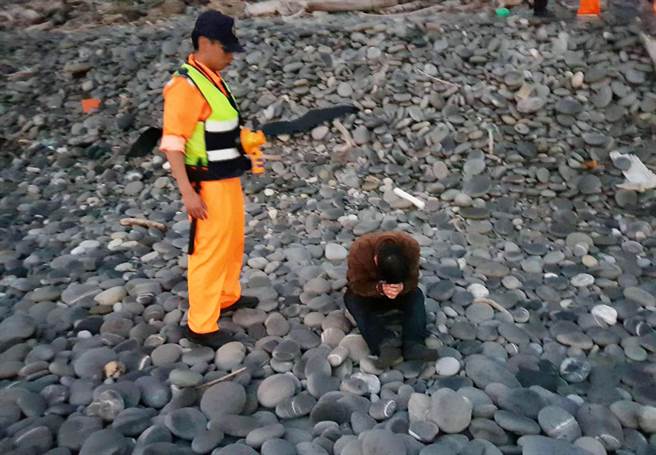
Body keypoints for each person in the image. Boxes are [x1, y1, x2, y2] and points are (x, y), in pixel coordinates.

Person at [159, 10, 259, 349]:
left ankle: (228, 296)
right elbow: (173, 143)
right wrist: (187, 192)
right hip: (205, 184)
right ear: (205, 43)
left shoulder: (213, 77)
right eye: (226, 49)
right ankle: (200, 325)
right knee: (208, 251)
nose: (231, 56)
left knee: (232, 241)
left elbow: (218, 128)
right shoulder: (184, 86)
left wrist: (246, 140)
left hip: (227, 177)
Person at [344, 231, 438, 367]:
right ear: (375, 259)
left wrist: (403, 286)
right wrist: (380, 288)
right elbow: (356, 284)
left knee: (416, 295)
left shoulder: (410, 247)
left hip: (400, 294)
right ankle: (384, 345)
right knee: (351, 299)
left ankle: (413, 344)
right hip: (370, 293)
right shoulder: (360, 249)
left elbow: (413, 279)